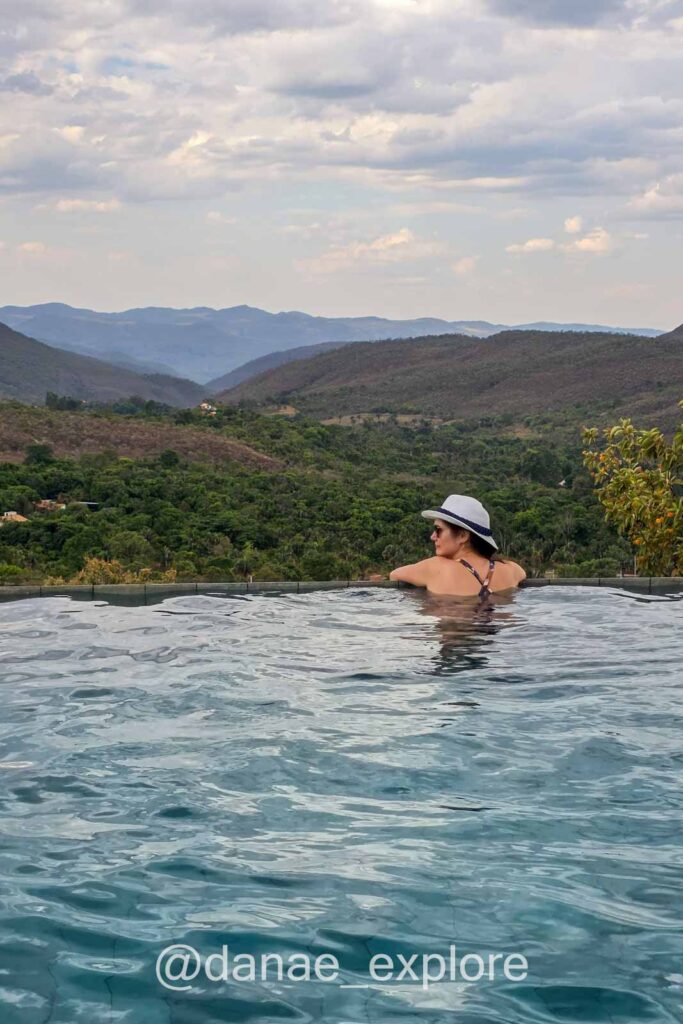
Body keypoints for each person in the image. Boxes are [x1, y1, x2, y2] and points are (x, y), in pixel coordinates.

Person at [390, 494, 526, 598]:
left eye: (438, 530)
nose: (433, 536)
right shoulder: (511, 570)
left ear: (462, 536)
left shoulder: (436, 567)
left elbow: (394, 575)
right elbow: (523, 574)